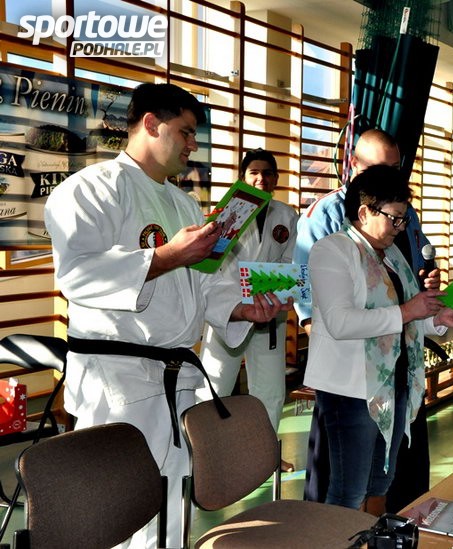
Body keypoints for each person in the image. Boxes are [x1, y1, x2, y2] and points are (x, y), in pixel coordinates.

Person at [44, 83, 292, 549]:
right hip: (118, 380)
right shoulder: (89, 189)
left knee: (172, 505)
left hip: (177, 378)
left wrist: (240, 307)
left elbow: (204, 284)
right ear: (151, 124)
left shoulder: (185, 204)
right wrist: (165, 256)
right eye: (186, 131)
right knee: (116, 510)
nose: (193, 144)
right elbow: (77, 275)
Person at [303, 164, 453, 513]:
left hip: (393, 381)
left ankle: (370, 536)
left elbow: (404, 317)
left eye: (403, 219)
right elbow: (340, 322)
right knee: (348, 491)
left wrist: (438, 319)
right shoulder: (333, 250)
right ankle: (336, 538)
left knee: (380, 482)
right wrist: (409, 311)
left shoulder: (391, 254)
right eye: (394, 218)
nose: (401, 227)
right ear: (364, 212)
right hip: (351, 388)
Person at [197, 148, 298, 472]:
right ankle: (204, 457)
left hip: (269, 312)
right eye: (254, 172)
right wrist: (239, 298)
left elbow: (290, 264)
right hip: (228, 311)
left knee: (271, 390)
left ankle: (265, 456)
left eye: (267, 173)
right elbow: (211, 264)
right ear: (243, 178)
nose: (261, 178)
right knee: (214, 385)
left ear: (276, 178)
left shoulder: (287, 215)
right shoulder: (227, 213)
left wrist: (275, 290)